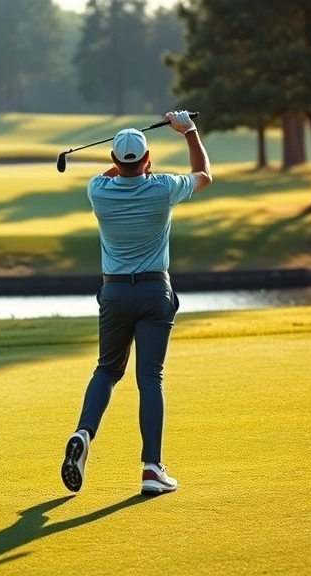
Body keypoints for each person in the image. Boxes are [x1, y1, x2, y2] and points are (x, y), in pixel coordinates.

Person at [61, 110, 213, 496]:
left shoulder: (97, 190)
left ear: (113, 159)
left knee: (107, 370)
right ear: (147, 159)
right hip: (153, 293)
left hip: (114, 294)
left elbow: (115, 172)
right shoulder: (163, 187)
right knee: (149, 378)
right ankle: (151, 469)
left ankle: (84, 432)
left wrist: (128, 165)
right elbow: (203, 174)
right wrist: (188, 130)